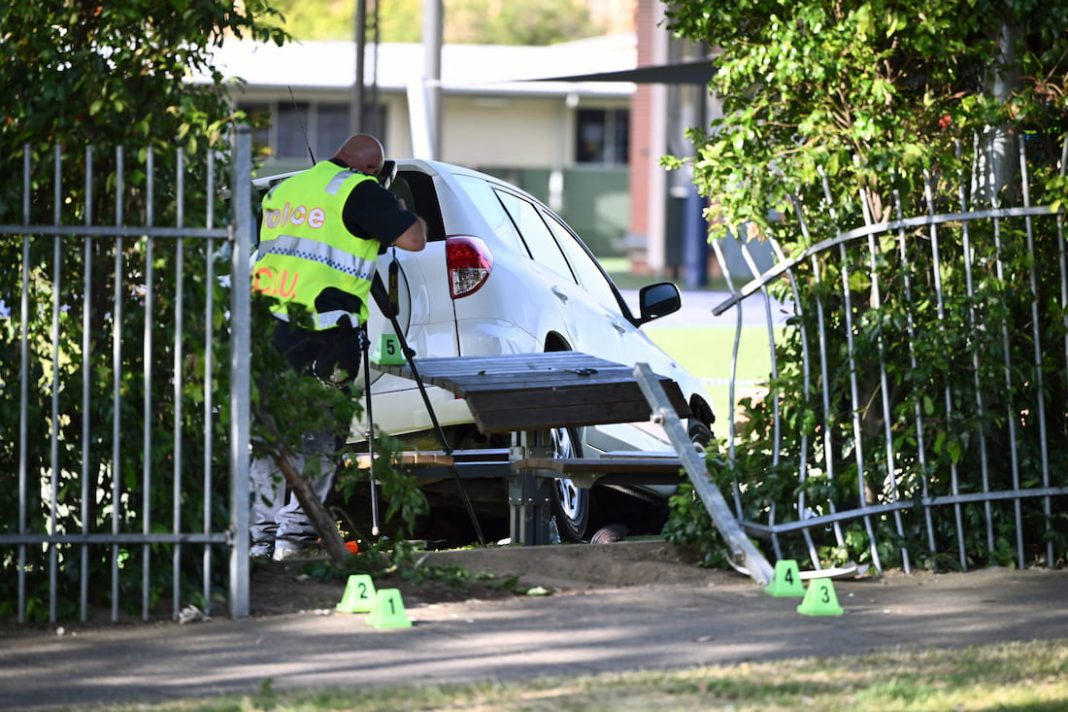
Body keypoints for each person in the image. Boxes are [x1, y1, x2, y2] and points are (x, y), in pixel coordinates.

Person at [249, 134, 427, 560]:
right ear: (372, 169)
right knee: (317, 439)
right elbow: (414, 238)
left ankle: (256, 541)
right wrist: (395, 206)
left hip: (268, 331)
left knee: (267, 437)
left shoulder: (285, 189)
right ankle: (293, 542)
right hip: (325, 335)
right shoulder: (358, 190)